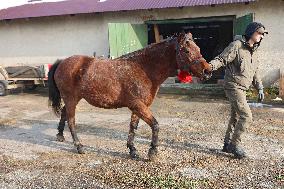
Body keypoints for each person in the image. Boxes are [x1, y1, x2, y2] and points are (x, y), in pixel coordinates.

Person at [208, 22, 268, 159]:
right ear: (251, 32)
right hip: (233, 86)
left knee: (235, 116)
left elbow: (255, 72)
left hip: (243, 88)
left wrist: (260, 87)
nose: (261, 36)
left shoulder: (255, 51)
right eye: (259, 33)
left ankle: (227, 144)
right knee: (246, 116)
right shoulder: (236, 46)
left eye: (263, 34)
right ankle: (234, 145)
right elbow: (221, 59)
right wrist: (209, 67)